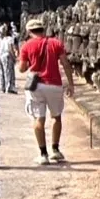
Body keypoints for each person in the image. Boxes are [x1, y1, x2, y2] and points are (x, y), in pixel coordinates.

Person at [18, 18, 74, 165]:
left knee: (38, 119)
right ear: (43, 30)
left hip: (36, 86)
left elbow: (21, 69)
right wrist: (70, 83)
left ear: (30, 32)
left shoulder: (27, 46)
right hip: (54, 84)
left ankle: (43, 154)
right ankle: (55, 150)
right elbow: (65, 63)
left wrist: (31, 61)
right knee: (56, 117)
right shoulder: (56, 43)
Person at [0, 24, 17, 94]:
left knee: (1, 72)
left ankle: (2, 88)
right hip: (7, 56)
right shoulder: (10, 39)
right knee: (8, 72)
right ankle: (8, 88)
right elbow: (11, 49)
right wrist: (14, 57)